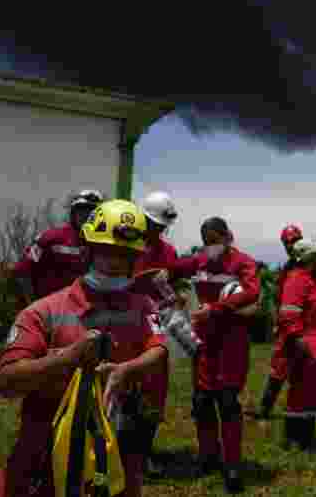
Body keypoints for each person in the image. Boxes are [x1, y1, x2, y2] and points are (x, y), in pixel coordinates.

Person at [0, 199, 168, 497]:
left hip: (116, 459)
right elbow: (9, 381)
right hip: (45, 459)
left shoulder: (143, 307)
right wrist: (68, 358)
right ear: (88, 249)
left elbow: (159, 348)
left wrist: (127, 370)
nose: (115, 262)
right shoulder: (45, 311)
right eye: (108, 252)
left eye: (126, 254)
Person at [166, 217, 259, 493]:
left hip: (231, 342)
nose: (211, 247)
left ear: (228, 236)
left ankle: (232, 465)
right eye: (207, 242)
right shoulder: (199, 261)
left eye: (215, 241)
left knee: (228, 402)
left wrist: (217, 308)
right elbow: (171, 270)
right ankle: (208, 457)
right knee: (202, 401)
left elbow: (252, 292)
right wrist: (168, 284)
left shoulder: (244, 263)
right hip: (203, 342)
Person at [131, 191, 180, 477]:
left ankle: (144, 453)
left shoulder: (168, 253)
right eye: (154, 223)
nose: (158, 229)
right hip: (123, 324)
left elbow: (169, 288)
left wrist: (175, 297)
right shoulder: (125, 245)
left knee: (154, 389)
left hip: (155, 326)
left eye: (161, 226)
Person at [275, 239, 316, 450]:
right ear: (309, 259)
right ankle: (294, 439)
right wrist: (298, 339)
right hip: (304, 345)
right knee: (299, 392)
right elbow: (289, 313)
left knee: (311, 392)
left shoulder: (313, 281)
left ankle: (306, 439)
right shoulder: (297, 280)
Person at [11, 189, 103, 303]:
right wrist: (32, 303)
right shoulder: (49, 239)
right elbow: (22, 271)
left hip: (89, 312)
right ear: (73, 213)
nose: (85, 216)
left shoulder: (104, 245)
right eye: (81, 211)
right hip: (51, 312)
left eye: (91, 213)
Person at [257, 225, 303, 419]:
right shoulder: (287, 268)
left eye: (294, 241)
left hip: (308, 326)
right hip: (288, 326)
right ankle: (265, 409)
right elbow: (279, 296)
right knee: (279, 367)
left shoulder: (314, 263)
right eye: (287, 242)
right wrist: (277, 321)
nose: (291, 245)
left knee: (312, 369)